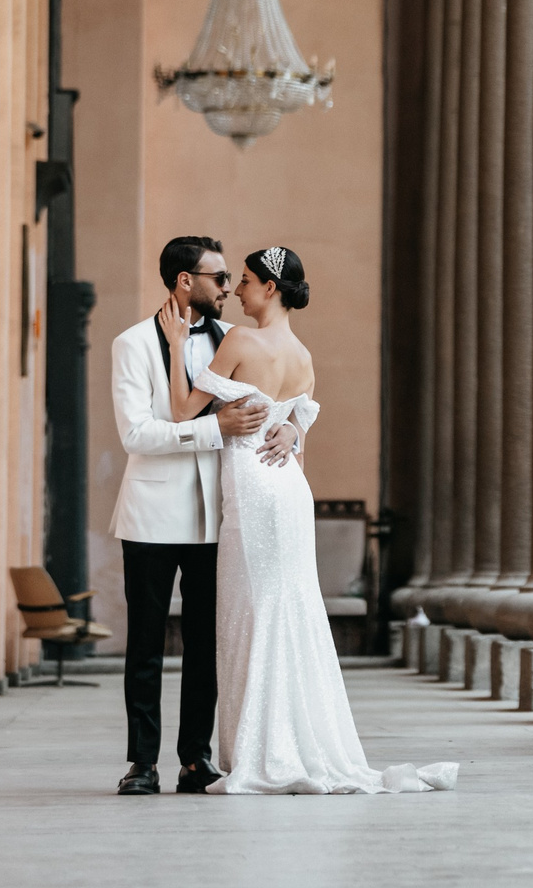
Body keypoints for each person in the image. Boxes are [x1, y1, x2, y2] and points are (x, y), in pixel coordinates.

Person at [159, 246, 456, 794]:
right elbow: (298, 441)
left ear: (271, 288)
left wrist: (179, 349)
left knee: (251, 613)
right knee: (289, 608)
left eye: (246, 281)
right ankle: (296, 738)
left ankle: (263, 747)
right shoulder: (303, 354)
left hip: (251, 492)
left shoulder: (240, 341)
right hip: (291, 492)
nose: (239, 291)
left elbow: (183, 411)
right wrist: (293, 431)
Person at [105, 236, 290, 795]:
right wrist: (214, 428)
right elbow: (135, 433)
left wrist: (290, 427)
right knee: (145, 643)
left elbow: (283, 397)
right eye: (218, 278)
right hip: (152, 516)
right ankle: (141, 762)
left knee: (207, 645)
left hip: (218, 518)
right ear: (185, 281)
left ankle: (195, 758)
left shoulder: (230, 341)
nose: (229, 287)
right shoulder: (133, 343)